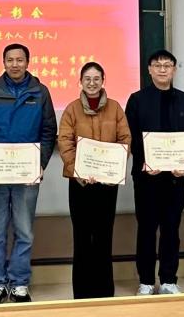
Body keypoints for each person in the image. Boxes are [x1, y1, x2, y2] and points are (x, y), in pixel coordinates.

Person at [0, 44, 57, 304]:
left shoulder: (40, 92)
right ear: (3, 62)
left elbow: (48, 130)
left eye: (20, 60)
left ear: (28, 62)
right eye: (10, 60)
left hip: (27, 173)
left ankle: (20, 283)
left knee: (24, 232)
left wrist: (41, 163)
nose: (15, 64)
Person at [126, 49, 184, 296]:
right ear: (149, 69)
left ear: (174, 69)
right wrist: (146, 162)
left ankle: (168, 279)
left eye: (167, 65)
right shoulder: (137, 100)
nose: (162, 69)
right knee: (146, 229)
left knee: (171, 229)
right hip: (147, 177)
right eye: (157, 65)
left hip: (176, 178)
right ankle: (146, 281)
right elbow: (131, 137)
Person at [57, 62, 132, 299]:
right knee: (81, 237)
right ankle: (82, 292)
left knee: (103, 236)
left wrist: (113, 169)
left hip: (107, 185)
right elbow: (65, 142)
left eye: (96, 78)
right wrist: (77, 170)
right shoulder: (71, 109)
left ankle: (104, 291)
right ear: (80, 81)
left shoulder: (115, 108)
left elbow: (125, 139)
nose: (92, 83)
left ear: (103, 80)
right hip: (79, 184)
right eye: (87, 79)